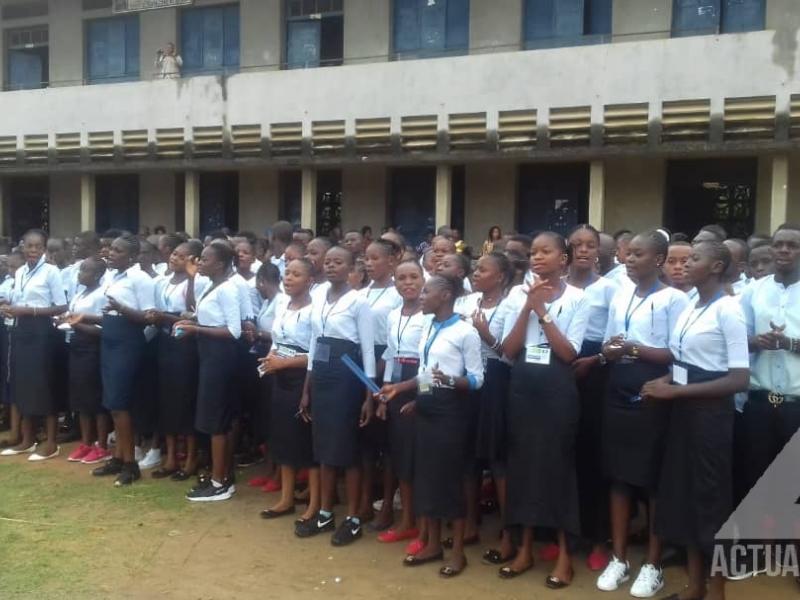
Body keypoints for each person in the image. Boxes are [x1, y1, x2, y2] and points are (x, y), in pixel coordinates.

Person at [641, 240, 749, 600]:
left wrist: (676, 392)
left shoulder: (729, 310)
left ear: (717, 267)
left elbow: (738, 379)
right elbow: (684, 361)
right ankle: (694, 586)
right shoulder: (689, 304)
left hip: (710, 418)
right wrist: (666, 381)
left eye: (694, 259)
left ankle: (716, 590)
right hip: (683, 414)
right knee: (684, 497)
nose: (684, 265)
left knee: (709, 501)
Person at [597, 230, 690, 597]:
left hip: (652, 394)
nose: (629, 259)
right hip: (617, 390)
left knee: (651, 480)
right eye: (628, 253)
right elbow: (607, 344)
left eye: (638, 254)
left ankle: (653, 564)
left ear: (658, 260)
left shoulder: (674, 300)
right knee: (618, 477)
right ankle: (619, 558)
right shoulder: (620, 295)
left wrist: (635, 349)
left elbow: (678, 354)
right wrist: (611, 350)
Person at [500, 232, 588, 589]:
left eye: (545, 252)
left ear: (563, 258)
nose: (537, 258)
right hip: (523, 385)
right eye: (533, 252)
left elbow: (570, 353)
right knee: (523, 466)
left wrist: (542, 311)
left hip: (557, 388)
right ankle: (524, 549)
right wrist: (526, 307)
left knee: (557, 468)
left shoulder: (580, 298)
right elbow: (508, 348)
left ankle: (565, 554)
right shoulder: (517, 294)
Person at [380, 274, 482, 578]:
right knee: (425, 478)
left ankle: (458, 554)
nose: (421, 296)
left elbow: (477, 379)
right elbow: (427, 374)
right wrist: (404, 391)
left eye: (427, 291)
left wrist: (449, 381)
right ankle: (433, 545)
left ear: (445, 295)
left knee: (448, 481)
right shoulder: (428, 326)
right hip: (427, 408)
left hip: (451, 412)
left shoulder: (466, 332)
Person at [295, 246, 375, 545]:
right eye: (327, 261)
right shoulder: (318, 297)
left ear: (352, 266)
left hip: (348, 375)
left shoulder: (359, 301)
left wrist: (369, 394)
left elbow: (367, 349)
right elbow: (315, 343)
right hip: (322, 374)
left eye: (338, 262)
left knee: (347, 449)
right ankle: (326, 512)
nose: (331, 266)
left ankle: (353, 518)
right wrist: (307, 388)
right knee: (324, 447)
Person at [738, 224, 800, 553]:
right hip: (761, 400)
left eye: (792, 245)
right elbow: (737, 337)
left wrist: (790, 342)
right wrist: (755, 341)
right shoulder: (755, 291)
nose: (784, 251)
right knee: (757, 476)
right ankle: (758, 551)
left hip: (796, 402)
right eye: (779, 245)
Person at [566, 224, 619, 573]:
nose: (584, 250)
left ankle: (600, 538)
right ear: (568, 248)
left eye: (591, 245)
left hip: (595, 369)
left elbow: (616, 340)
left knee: (594, 453)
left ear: (600, 250)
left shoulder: (611, 289)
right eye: (578, 244)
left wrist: (596, 360)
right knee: (565, 452)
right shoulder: (557, 286)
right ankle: (569, 535)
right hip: (562, 364)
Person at [457, 253, 515, 566]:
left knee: (497, 459)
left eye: (483, 269)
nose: (476, 273)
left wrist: (485, 334)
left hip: (496, 383)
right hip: (468, 381)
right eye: (475, 268)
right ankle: (469, 523)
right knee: (468, 458)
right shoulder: (466, 303)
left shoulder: (510, 305)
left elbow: (510, 355)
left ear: (502, 277)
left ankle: (508, 532)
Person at [174, 242, 242, 501]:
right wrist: (190, 321)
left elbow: (233, 330)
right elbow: (209, 317)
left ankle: (219, 482)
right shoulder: (211, 286)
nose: (199, 262)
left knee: (216, 420)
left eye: (205, 259)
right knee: (213, 419)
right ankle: (220, 475)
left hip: (221, 358)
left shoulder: (228, 289)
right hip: (208, 355)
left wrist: (196, 329)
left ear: (221, 264)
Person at [90, 234, 156, 486]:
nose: (111, 253)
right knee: (111, 402)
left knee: (120, 403)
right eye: (110, 248)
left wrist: (121, 309)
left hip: (128, 341)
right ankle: (118, 457)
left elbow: (150, 317)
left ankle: (131, 464)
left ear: (131, 256)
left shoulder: (140, 278)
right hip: (110, 337)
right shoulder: (111, 275)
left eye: (118, 250)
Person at [258, 258, 318, 521]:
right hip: (279, 374)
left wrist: (283, 363)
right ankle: (286, 497)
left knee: (304, 442)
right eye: (287, 273)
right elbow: (277, 339)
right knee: (283, 437)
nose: (289, 278)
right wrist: (271, 358)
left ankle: (314, 503)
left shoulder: (315, 311)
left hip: (301, 378)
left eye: (296, 274)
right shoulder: (283, 304)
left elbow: (313, 355)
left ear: (310, 281)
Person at [0, 230, 68, 461]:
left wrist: (28, 310)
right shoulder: (19, 272)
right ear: (23, 248)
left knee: (43, 385)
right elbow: (20, 301)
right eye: (29, 246)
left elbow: (61, 307)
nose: (33, 250)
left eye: (38, 246)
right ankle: (27, 440)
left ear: (44, 249)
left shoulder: (51, 273)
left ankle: (50, 442)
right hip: (21, 331)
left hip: (42, 333)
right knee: (23, 385)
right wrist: (10, 305)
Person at [374, 260, 426, 546]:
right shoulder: (393, 315)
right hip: (396, 388)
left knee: (417, 459)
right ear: (394, 283)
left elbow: (433, 363)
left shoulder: (431, 316)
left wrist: (420, 397)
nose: (408, 282)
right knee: (399, 456)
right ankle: (406, 519)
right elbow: (392, 356)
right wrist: (383, 394)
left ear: (423, 280)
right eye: (402, 278)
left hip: (420, 385)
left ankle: (418, 521)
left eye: (414, 277)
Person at [146, 240, 205, 481]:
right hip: (164, 344)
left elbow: (193, 310)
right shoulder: (162, 281)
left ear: (192, 260)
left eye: (181, 256)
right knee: (166, 400)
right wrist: (155, 316)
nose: (174, 257)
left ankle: (191, 458)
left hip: (185, 346)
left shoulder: (198, 283)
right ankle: (170, 456)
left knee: (184, 400)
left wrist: (192, 278)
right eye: (174, 253)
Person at [360, 239, 402, 530]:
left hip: (387, 364)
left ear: (392, 261)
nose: (369, 263)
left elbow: (395, 340)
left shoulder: (398, 295)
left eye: (376, 258)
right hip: (361, 363)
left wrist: (382, 373)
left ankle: (387, 504)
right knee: (364, 438)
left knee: (387, 442)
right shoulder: (361, 293)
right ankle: (363, 501)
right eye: (366, 258)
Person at [61, 257, 111, 465]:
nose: (80, 274)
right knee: (80, 399)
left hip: (93, 349)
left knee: (95, 399)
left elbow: (103, 329)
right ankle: (86, 442)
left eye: (85, 271)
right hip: (77, 347)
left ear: (98, 274)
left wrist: (76, 324)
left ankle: (102, 445)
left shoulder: (102, 295)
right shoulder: (81, 292)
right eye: (80, 270)